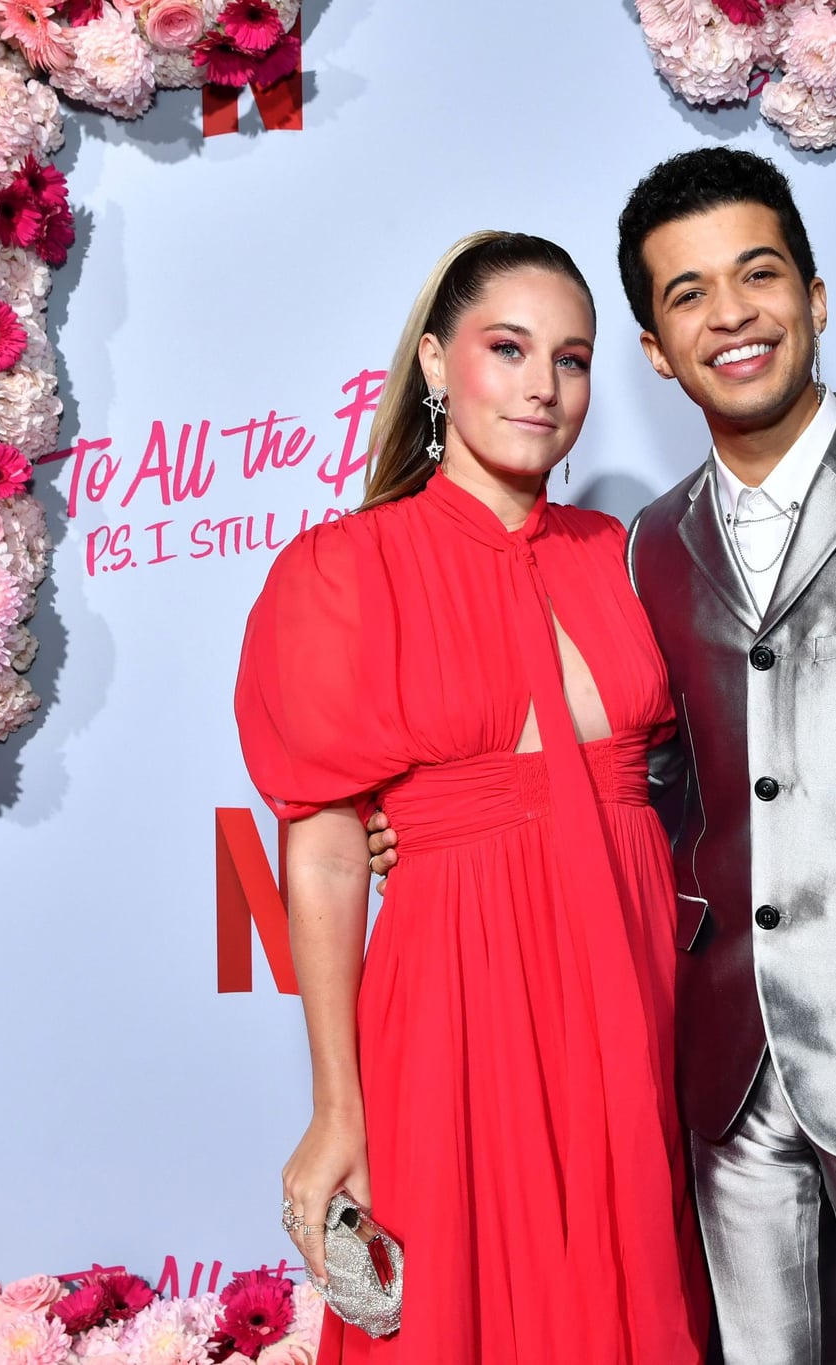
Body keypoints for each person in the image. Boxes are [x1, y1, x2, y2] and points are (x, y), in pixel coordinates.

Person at [372, 149, 836, 1365]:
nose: (730, 314)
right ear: (657, 352)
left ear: (814, 298)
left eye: (757, 275)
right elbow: (631, 775)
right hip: (720, 1070)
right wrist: (429, 816)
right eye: (686, 294)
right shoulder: (645, 548)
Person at [234, 230, 708, 1364]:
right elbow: (328, 851)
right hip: (453, 1001)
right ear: (438, 365)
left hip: (638, 997)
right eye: (509, 347)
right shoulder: (345, 568)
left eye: (574, 358)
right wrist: (336, 1104)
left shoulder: (627, 555)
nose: (544, 385)